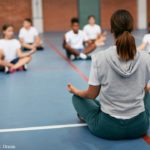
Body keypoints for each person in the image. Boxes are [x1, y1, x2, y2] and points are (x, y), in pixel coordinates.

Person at [68, 10, 150, 140]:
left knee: (77, 99)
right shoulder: (146, 58)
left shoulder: (100, 58)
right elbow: (145, 90)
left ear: (112, 29)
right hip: (139, 127)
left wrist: (76, 91)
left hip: (107, 128)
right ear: (132, 28)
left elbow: (91, 95)